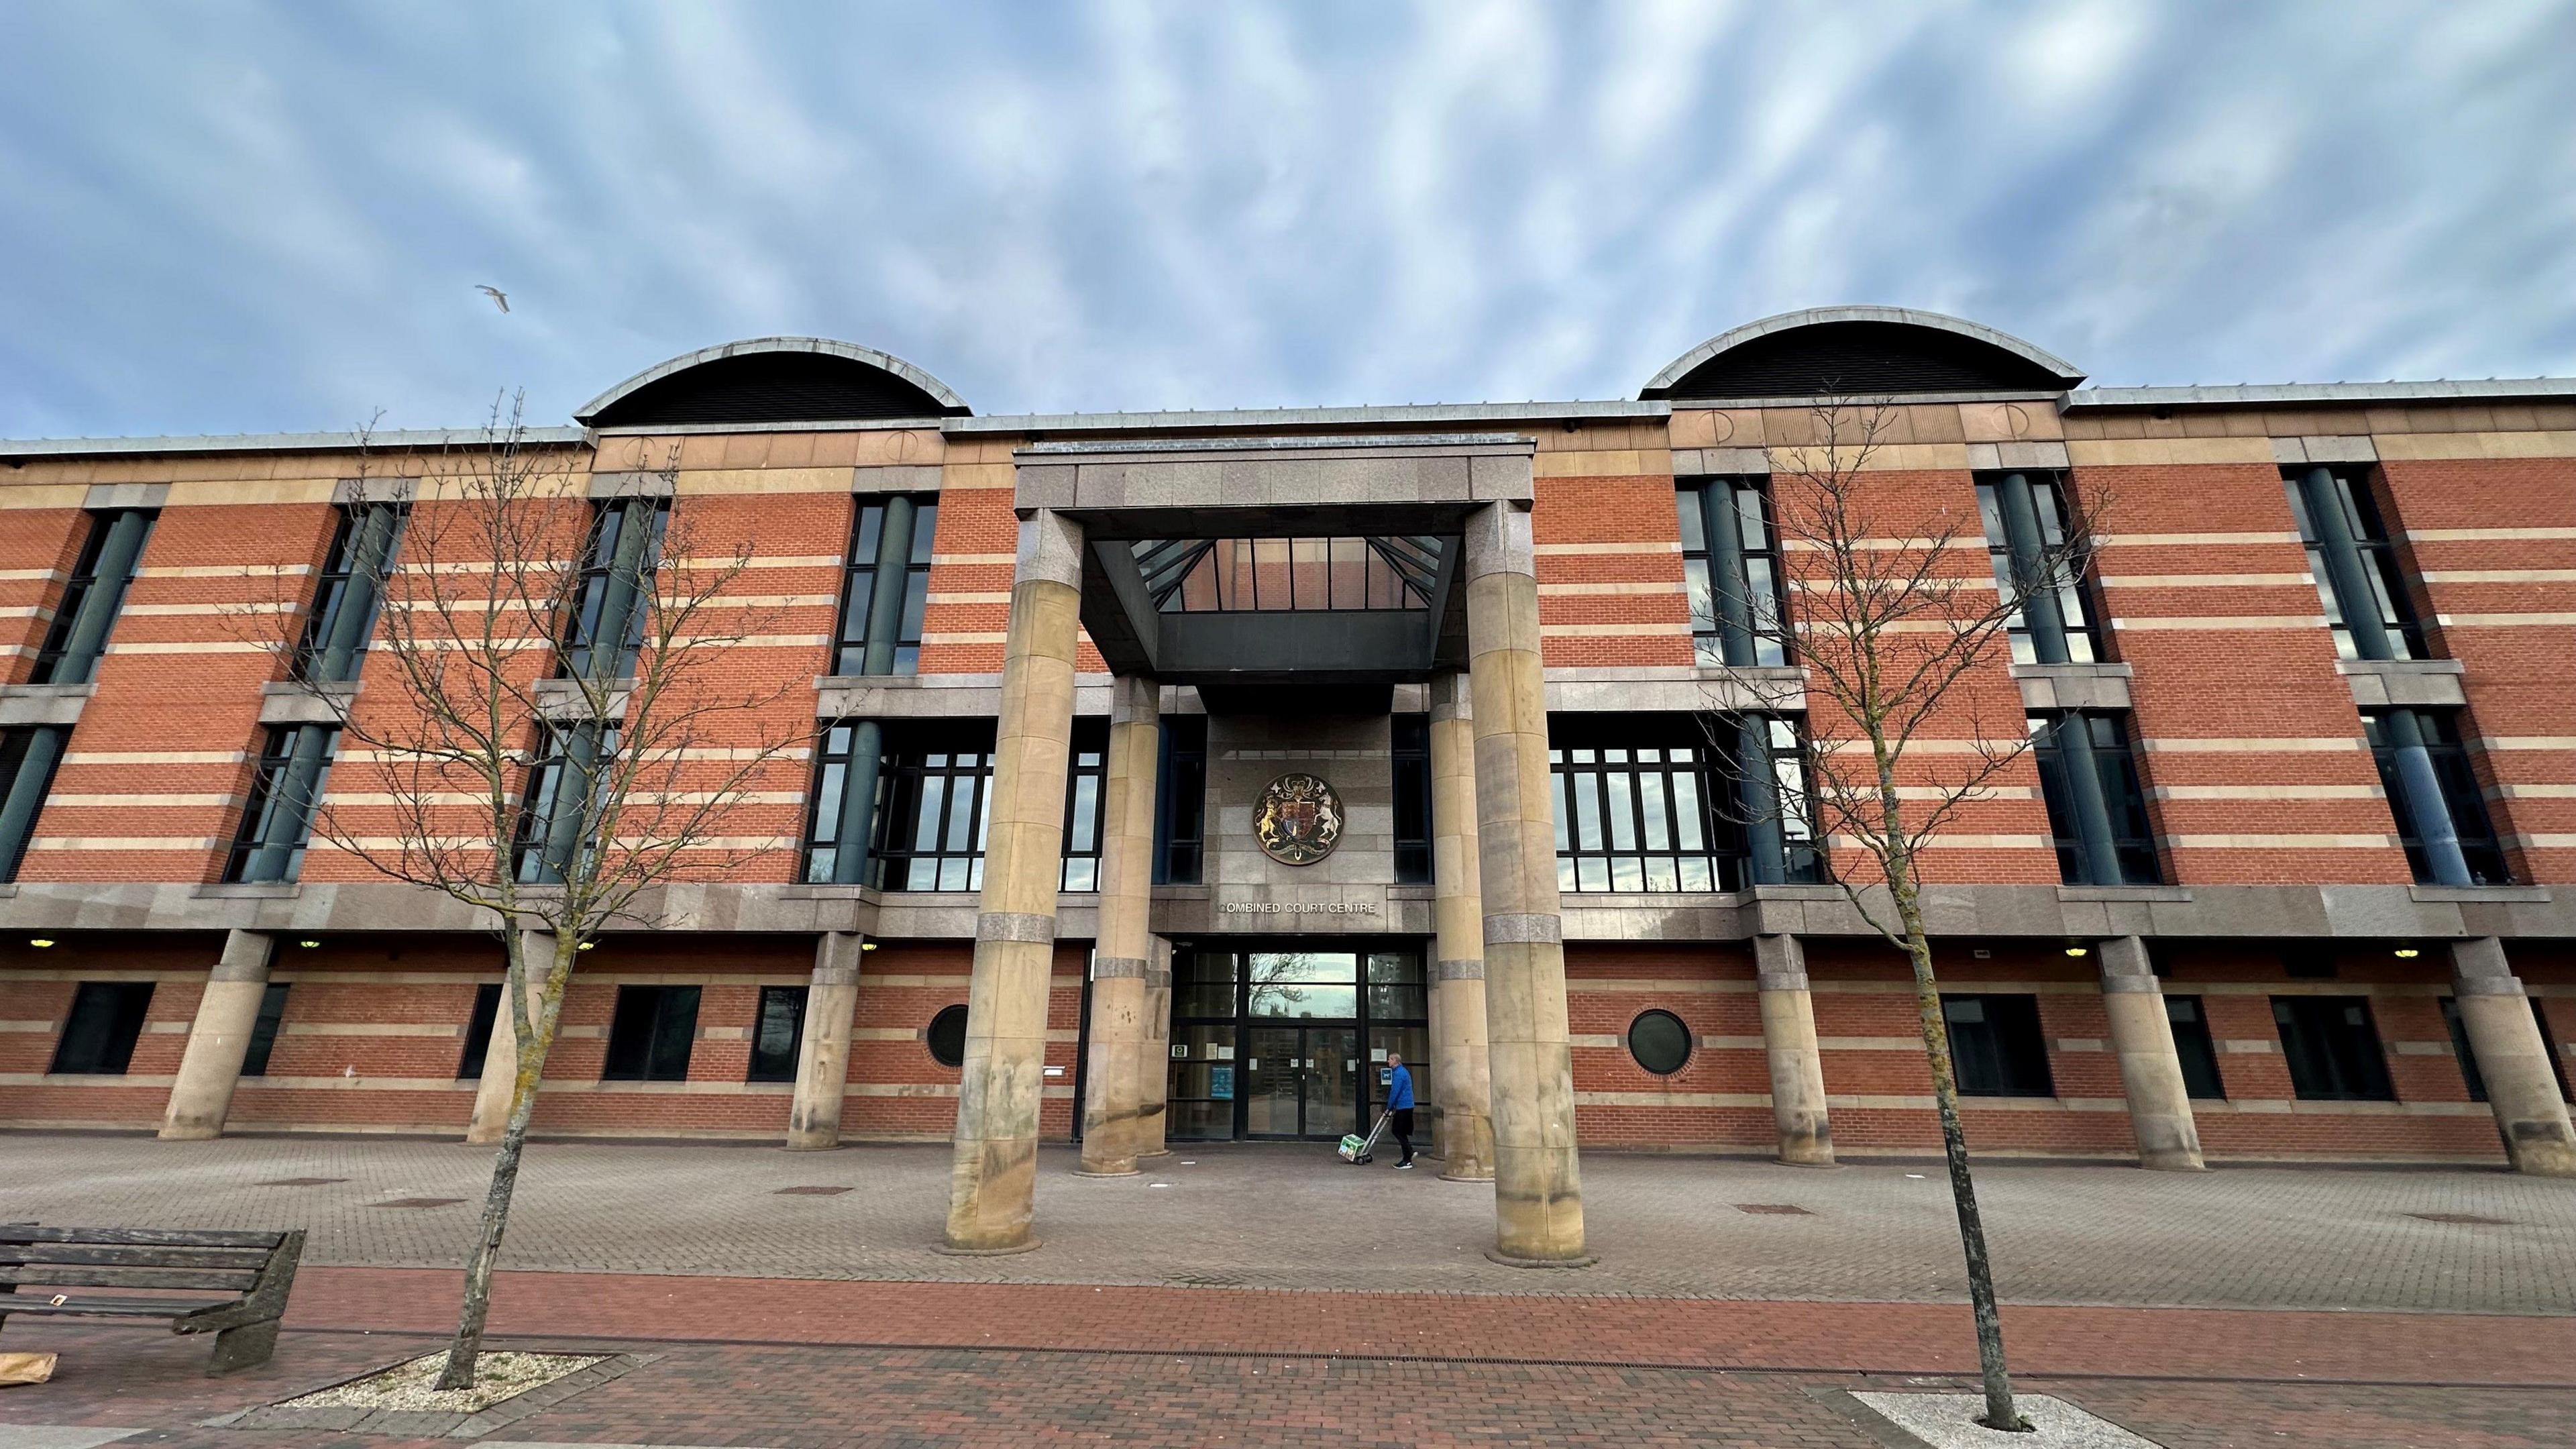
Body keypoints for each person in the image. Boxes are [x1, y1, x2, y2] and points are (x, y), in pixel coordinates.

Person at [1385, 1052, 1415, 1169]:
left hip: (1404, 1106)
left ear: (1395, 1061)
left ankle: (1407, 1159)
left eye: (1390, 1059)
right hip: (1406, 1106)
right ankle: (1409, 1152)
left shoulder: (1399, 1074)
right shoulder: (1402, 1072)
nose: (1388, 1061)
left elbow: (1395, 1091)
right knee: (1400, 1131)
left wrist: (1389, 1106)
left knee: (1397, 1131)